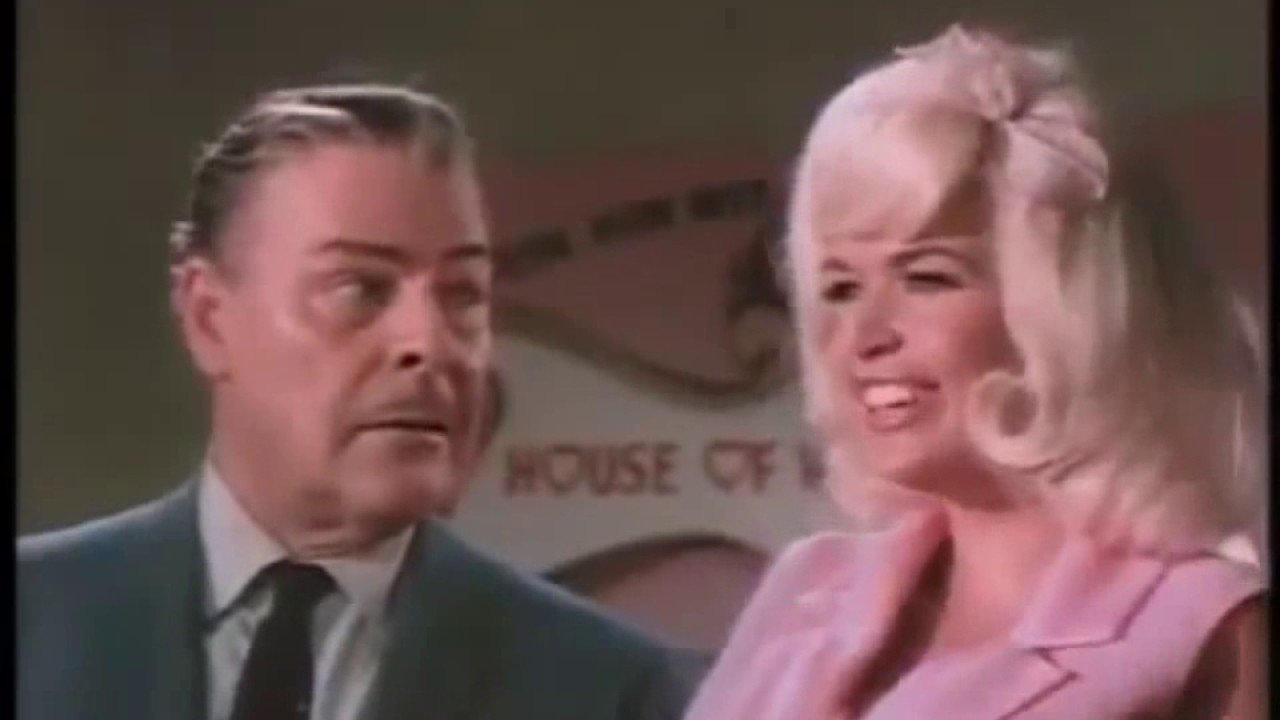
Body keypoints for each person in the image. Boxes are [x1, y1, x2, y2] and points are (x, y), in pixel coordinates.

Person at [18, 84, 700, 720]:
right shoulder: (34, 618)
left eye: (462, 295)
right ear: (208, 318)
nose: (429, 343)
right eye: (360, 290)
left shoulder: (606, 689)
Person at [684, 25, 1266, 720]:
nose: (864, 337)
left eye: (926, 277)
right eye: (840, 288)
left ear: (1066, 308)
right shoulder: (806, 592)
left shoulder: (1202, 625)